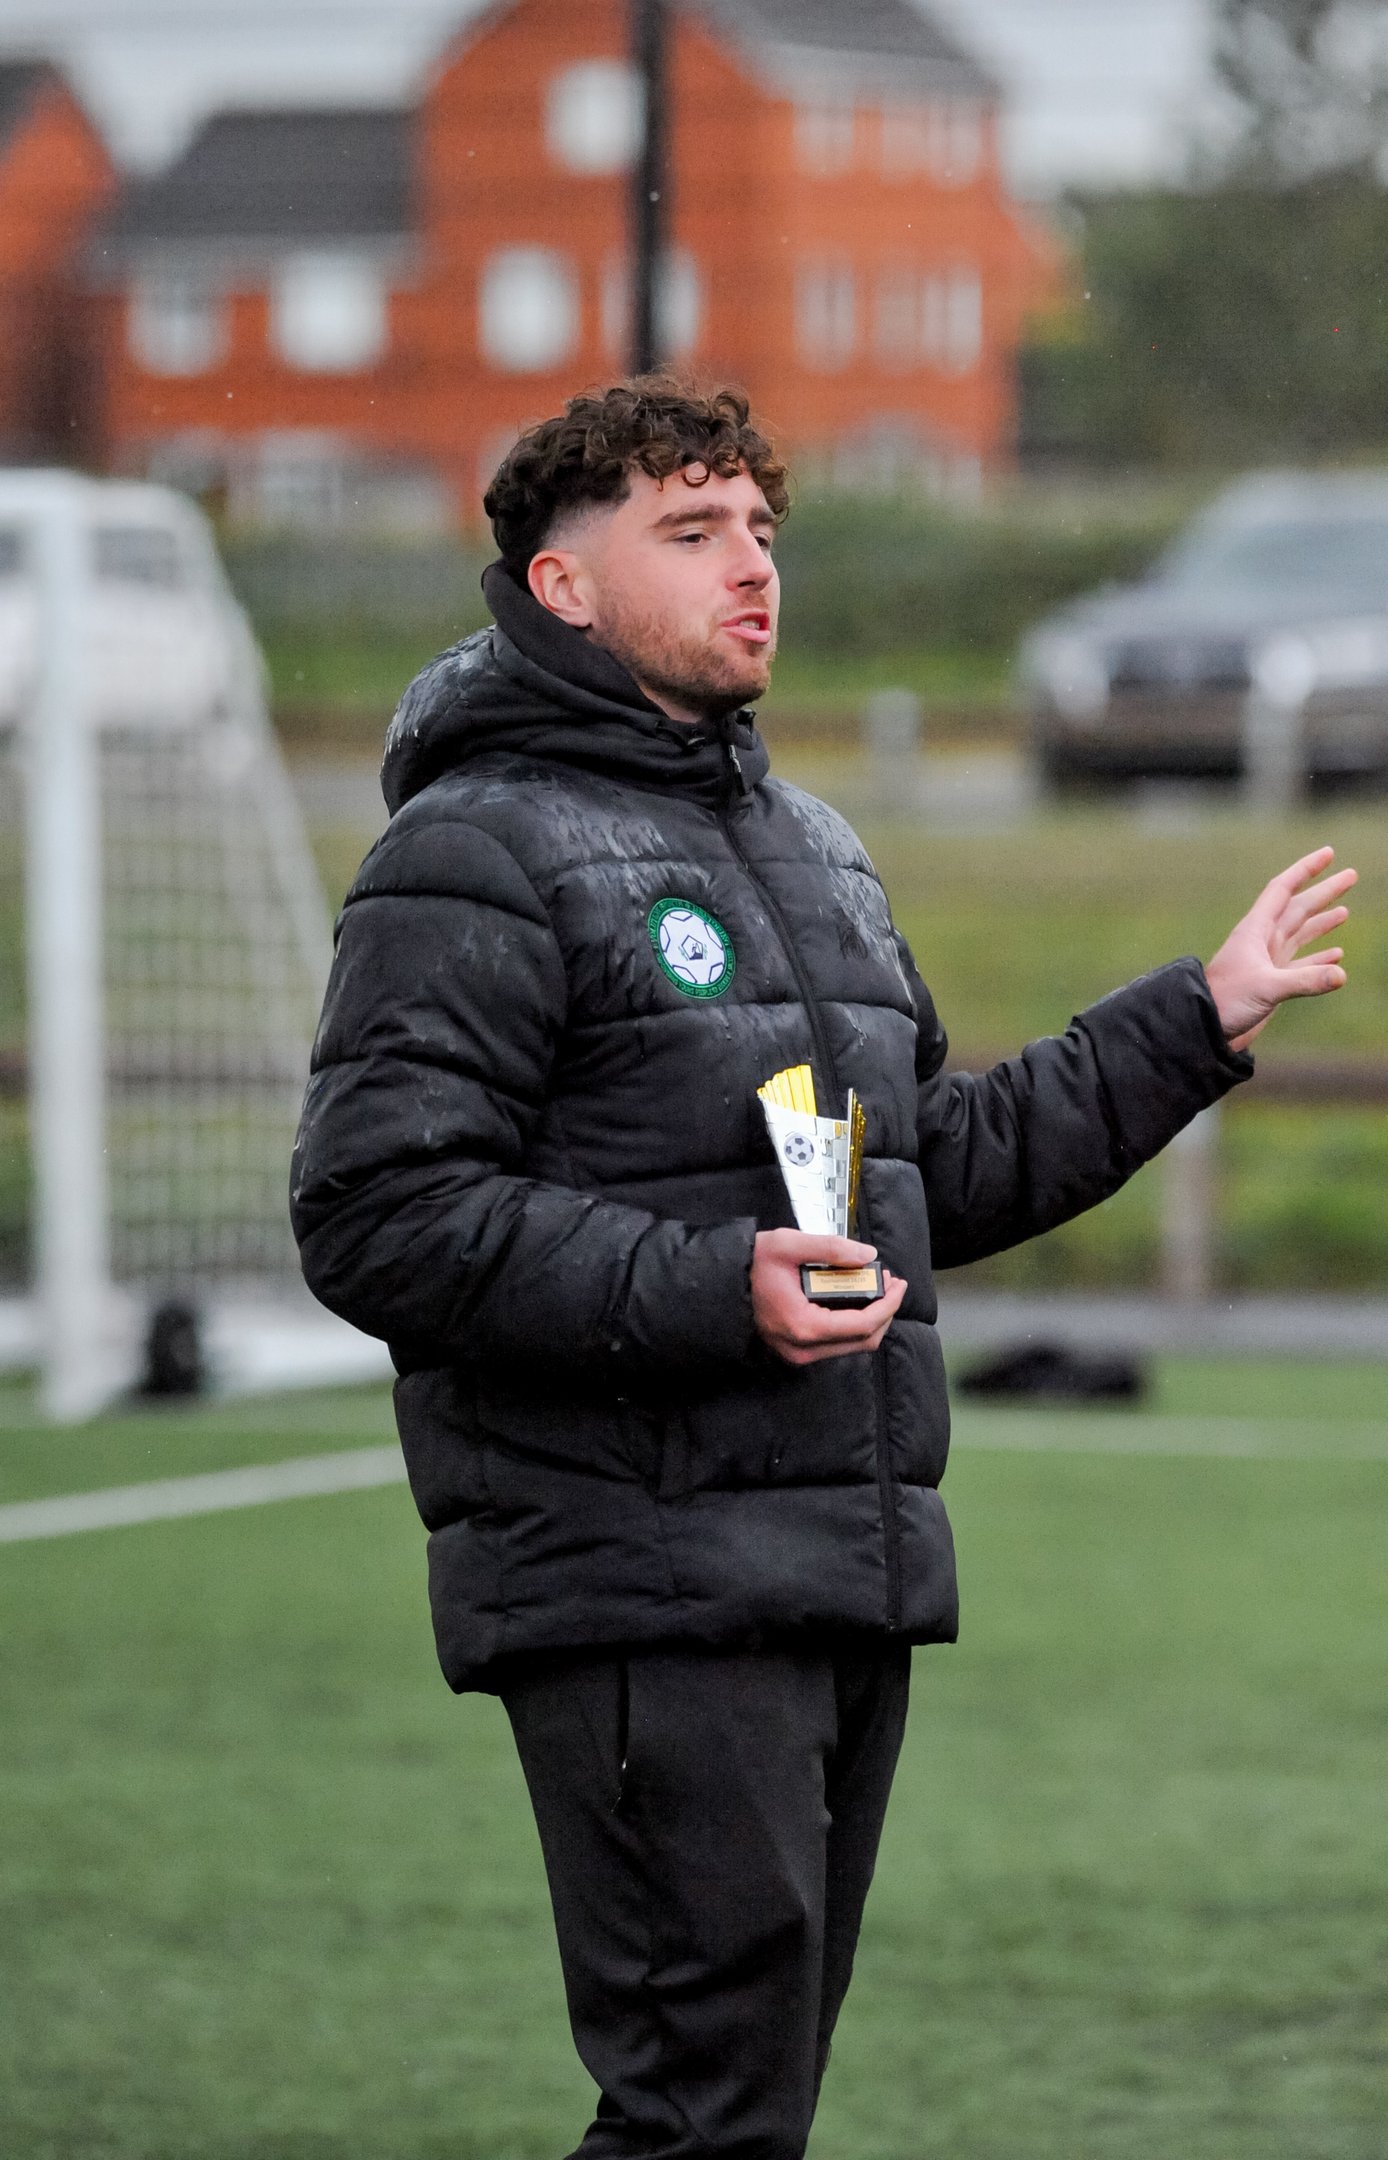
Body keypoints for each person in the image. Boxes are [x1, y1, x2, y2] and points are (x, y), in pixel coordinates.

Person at [290, 379, 1354, 2160]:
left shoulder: (811, 848)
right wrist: (721, 1285)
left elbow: (934, 1174)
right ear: (562, 586)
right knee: (701, 2114)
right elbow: (377, 1213)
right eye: (692, 532)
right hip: (638, 1583)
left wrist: (1194, 1020)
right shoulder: (470, 851)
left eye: (762, 530)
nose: (753, 568)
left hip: (830, 1568)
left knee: (743, 2113)